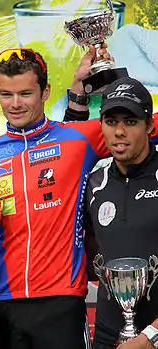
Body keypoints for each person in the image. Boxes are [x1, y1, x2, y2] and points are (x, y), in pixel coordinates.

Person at [0, 45, 120, 349]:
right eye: (6, 94)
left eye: (25, 94)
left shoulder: (78, 138)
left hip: (61, 301)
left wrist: (107, 79)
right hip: (3, 303)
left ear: (45, 92)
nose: (15, 104)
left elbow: (142, 127)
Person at [84, 76, 158, 349]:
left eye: (130, 121)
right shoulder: (93, 184)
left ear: (149, 125)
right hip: (107, 338)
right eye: (111, 121)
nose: (119, 131)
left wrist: (151, 336)